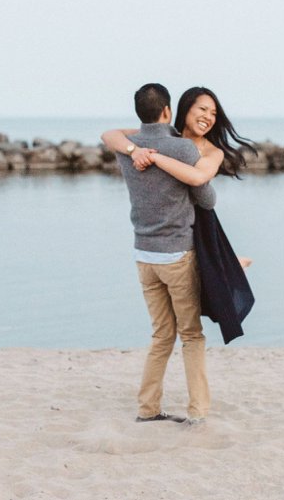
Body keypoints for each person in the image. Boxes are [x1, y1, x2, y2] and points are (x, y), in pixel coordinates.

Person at [103, 86, 257, 345]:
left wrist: (153, 158)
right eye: (203, 109)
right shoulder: (170, 136)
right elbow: (109, 134)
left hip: (201, 215)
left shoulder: (212, 150)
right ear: (183, 109)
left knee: (201, 286)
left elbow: (198, 180)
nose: (208, 117)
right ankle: (230, 264)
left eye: (214, 113)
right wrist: (135, 151)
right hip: (174, 221)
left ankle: (229, 265)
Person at [106, 83, 217, 426]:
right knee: (192, 335)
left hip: (144, 256)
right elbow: (207, 199)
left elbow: (109, 134)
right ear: (168, 111)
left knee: (161, 335)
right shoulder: (182, 149)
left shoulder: (129, 148)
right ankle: (197, 412)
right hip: (176, 256)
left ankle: (147, 408)